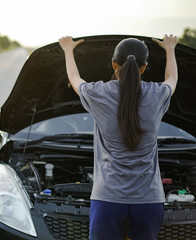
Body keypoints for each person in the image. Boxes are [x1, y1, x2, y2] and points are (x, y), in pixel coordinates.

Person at [58, 34, 178, 240]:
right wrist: (170, 49)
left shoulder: (99, 93)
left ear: (114, 64)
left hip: (108, 200)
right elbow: (172, 79)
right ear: (144, 67)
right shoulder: (156, 94)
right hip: (148, 200)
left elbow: (75, 79)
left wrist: (68, 50)